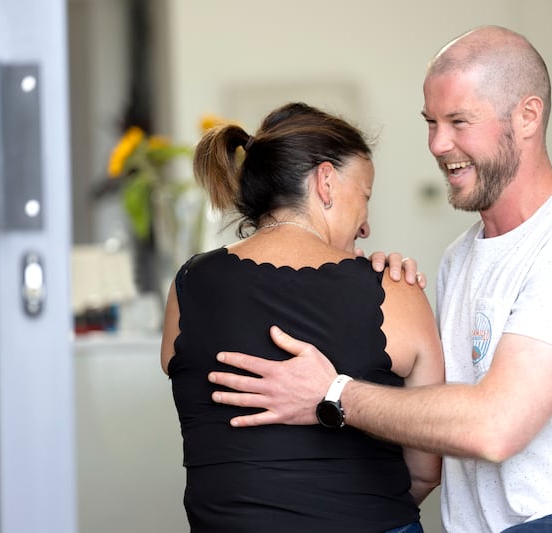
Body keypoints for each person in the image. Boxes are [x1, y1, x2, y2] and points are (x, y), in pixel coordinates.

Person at [207, 26, 552, 533]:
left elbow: (495, 425)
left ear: (527, 116)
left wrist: (333, 394)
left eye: (459, 121)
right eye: (431, 122)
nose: (438, 144)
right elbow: (429, 440)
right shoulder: (459, 259)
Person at [160, 101, 444, 533]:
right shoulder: (397, 292)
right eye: (364, 196)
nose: (365, 226)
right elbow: (426, 471)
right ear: (325, 180)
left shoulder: (188, 286)